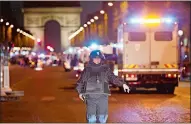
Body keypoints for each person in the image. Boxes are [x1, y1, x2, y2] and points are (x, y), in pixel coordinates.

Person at [76, 50, 130, 123]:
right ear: (92, 59)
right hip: (91, 96)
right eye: (95, 58)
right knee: (91, 119)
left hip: (103, 96)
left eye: (99, 58)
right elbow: (81, 81)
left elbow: (113, 78)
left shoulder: (105, 69)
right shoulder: (87, 69)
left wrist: (123, 84)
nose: (97, 60)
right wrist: (80, 92)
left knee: (102, 118)